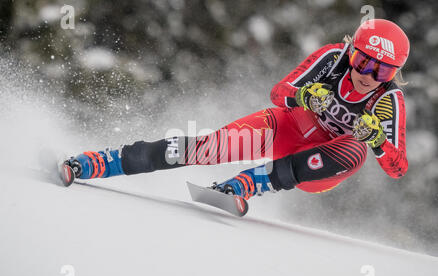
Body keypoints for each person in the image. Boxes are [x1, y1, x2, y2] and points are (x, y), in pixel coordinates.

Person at [64, 18, 409, 201]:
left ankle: (253, 182)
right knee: (206, 148)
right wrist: (304, 96)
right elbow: (280, 91)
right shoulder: (333, 59)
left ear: (394, 74)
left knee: (356, 150)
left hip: (316, 166)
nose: (368, 75)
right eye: (364, 61)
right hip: (284, 129)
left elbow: (397, 168)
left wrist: (379, 140)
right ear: (352, 54)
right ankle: (103, 161)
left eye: (383, 70)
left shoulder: (387, 101)